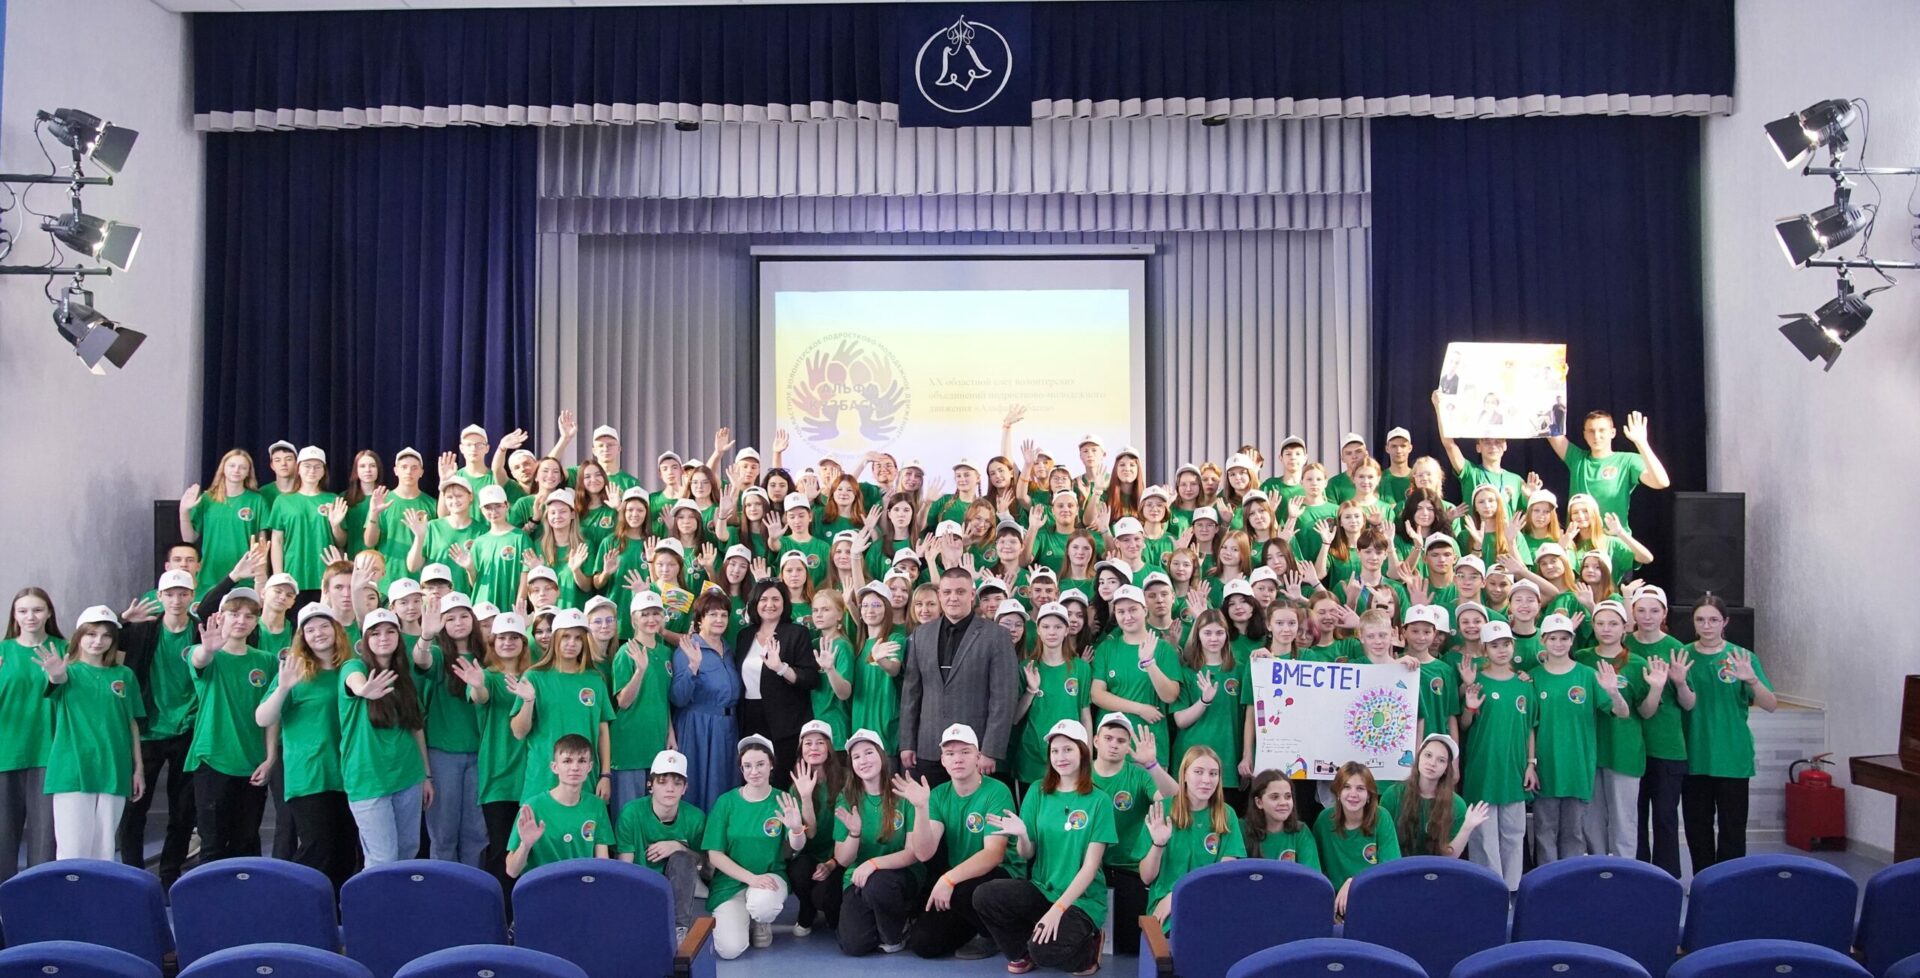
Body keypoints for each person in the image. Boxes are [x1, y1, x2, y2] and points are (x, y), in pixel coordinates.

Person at [976, 719, 1114, 977]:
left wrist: (1058, 910)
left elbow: (1090, 867)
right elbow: (1026, 853)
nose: (1060, 757)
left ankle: (1090, 949)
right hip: (1041, 889)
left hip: (1081, 900)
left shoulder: (1099, 801)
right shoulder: (1037, 791)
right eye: (1055, 751)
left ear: (1083, 752)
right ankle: (1024, 951)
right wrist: (1022, 835)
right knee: (985, 895)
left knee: (1046, 952)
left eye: (1068, 749)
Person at [255, 604, 355, 889]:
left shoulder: (350, 669)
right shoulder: (295, 672)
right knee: (317, 849)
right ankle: (295, 906)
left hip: (347, 775)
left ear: (336, 630)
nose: (318, 633)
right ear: (302, 637)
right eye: (310, 630)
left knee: (344, 852)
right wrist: (283, 688)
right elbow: (263, 717)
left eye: (324, 626)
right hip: (310, 775)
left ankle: (335, 912)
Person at [901, 723, 1020, 960]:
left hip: (1001, 876)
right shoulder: (938, 795)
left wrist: (948, 879)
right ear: (943, 760)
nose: (958, 759)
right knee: (924, 943)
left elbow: (993, 854)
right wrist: (921, 808)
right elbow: (924, 853)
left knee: (965, 892)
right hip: (961, 881)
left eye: (965, 752)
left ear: (978, 756)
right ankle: (974, 927)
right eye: (950, 753)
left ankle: (996, 934)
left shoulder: (997, 791)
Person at [1679, 595, 1776, 872]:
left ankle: (1729, 883)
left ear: (1725, 622)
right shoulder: (1683, 656)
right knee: (1697, 827)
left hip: (1732, 755)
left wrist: (1752, 680)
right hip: (1695, 753)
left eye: (1713, 620)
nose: (1706, 625)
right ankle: (1703, 881)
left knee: (1733, 827)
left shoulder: (1742, 657)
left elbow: (1770, 704)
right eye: (1700, 620)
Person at [41, 607, 145, 860]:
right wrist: (55, 675)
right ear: (79, 636)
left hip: (114, 768)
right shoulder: (68, 672)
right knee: (73, 849)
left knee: (105, 849)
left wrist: (138, 768)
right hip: (73, 769)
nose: (98, 641)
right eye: (91, 634)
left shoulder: (124, 675)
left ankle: (100, 888)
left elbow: (131, 723)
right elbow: (56, 682)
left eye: (105, 635)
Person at [900, 568, 1021, 785]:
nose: (953, 598)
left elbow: (1003, 699)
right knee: (929, 807)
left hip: (974, 750)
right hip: (929, 747)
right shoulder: (921, 634)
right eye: (947, 592)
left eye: (960, 592)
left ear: (972, 595)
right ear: (939, 596)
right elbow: (911, 694)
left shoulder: (996, 636)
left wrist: (990, 749)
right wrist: (907, 742)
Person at [1529, 612, 1629, 865]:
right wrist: (1531, 763)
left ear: (1572, 640)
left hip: (1578, 766)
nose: (1559, 643)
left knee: (1574, 833)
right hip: (1546, 767)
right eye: (1553, 638)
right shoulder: (1533, 678)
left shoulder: (1587, 675)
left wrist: (1614, 692)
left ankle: (1569, 880)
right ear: (1543, 640)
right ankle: (1547, 881)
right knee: (1544, 831)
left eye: (1564, 638)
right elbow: (1529, 727)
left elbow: (1621, 712)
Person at [186, 590, 277, 862]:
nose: (241, 620)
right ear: (220, 616)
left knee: (247, 844)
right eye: (234, 614)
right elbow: (199, 660)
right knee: (213, 845)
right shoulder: (208, 654)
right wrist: (207, 649)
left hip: (252, 763)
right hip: (213, 760)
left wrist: (270, 758)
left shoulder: (266, 660)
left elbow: (273, 714)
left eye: (249, 616)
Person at [340, 608, 433, 868]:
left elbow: (416, 727)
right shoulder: (354, 666)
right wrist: (364, 689)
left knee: (407, 851)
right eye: (376, 633)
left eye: (390, 631)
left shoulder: (404, 675)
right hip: (369, 779)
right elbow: (354, 682)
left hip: (408, 776)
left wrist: (426, 775)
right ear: (365, 639)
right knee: (382, 858)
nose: (383, 638)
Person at [450, 611, 534, 889]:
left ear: (523, 642)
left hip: (531, 775)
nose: (508, 643)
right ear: (493, 642)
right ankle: (501, 909)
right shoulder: (485, 676)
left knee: (529, 849)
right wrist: (476, 685)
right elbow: (481, 697)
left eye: (514, 637)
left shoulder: (534, 677)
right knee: (500, 849)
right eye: (502, 638)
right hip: (498, 774)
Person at [703, 735, 807, 959]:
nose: (754, 771)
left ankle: (761, 921)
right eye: (747, 766)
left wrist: (796, 828)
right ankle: (742, 915)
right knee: (729, 950)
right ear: (741, 769)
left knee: (762, 906)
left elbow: (795, 848)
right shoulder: (725, 803)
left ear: (771, 765)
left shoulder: (784, 800)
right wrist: (751, 879)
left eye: (760, 764)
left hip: (769, 877)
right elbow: (715, 855)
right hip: (730, 883)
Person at [1088, 713, 1176, 961]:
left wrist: (1152, 765)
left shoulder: (1138, 775)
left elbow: (1174, 799)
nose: (1114, 744)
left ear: (1128, 747)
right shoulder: (1081, 774)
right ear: (1096, 741)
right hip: (1088, 870)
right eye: (1108, 738)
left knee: (1131, 946)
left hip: (1128, 870)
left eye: (1121, 740)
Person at [411, 592, 489, 866]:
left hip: (480, 754)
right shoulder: (437, 653)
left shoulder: (486, 655)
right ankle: (444, 888)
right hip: (443, 754)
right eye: (451, 618)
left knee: (476, 833)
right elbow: (421, 660)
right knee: (443, 834)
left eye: (464, 616)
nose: (458, 622)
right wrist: (426, 635)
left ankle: (472, 885)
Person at [1575, 601, 1656, 860]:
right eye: (1600, 623)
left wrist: (1656, 689)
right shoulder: (1582, 658)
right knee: (1591, 820)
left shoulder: (1636, 663)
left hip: (1623, 750)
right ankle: (1598, 868)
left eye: (1613, 624)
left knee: (1624, 819)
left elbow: (1646, 711)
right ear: (1593, 626)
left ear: (1625, 627)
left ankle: (1625, 870)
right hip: (1589, 748)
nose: (1606, 629)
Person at [1457, 620, 1533, 890]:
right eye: (1494, 645)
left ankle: (1512, 889)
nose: (1501, 650)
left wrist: (1531, 763)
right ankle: (1488, 889)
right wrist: (1469, 705)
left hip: (1514, 769)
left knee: (1514, 832)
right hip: (1483, 768)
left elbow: (1530, 727)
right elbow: (1465, 724)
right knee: (1484, 836)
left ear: (1513, 646)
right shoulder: (1476, 681)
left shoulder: (1525, 684)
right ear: (1484, 649)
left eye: (1506, 644)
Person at [832, 728, 922, 956]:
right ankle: (878, 917)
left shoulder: (903, 793)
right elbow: (843, 859)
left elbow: (913, 852)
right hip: (858, 878)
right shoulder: (846, 798)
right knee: (854, 945)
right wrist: (854, 833)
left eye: (869, 753)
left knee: (878, 884)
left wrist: (873, 864)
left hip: (898, 875)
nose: (863, 761)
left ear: (882, 755)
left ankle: (897, 931)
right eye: (856, 756)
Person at [511, 608, 614, 800]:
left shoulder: (595, 679)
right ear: (555, 638)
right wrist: (528, 701)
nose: (572, 643)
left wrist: (606, 775)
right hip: (543, 779)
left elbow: (602, 731)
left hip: (585, 780)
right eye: (566, 636)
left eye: (578, 638)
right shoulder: (534, 677)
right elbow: (518, 732)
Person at [1140, 746, 1245, 925]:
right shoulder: (1162, 810)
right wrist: (1158, 844)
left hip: (1210, 904)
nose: (1206, 780)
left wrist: (1178, 894)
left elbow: (1224, 875)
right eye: (1198, 772)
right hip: (1167, 912)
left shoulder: (1227, 814)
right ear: (1184, 775)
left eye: (1213, 774)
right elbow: (1146, 877)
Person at [732, 580, 820, 786]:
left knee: (781, 778)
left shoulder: (797, 633)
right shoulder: (745, 635)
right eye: (763, 599)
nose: (769, 604)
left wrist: (781, 668)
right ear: (755, 603)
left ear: (784, 603)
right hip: (749, 716)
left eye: (775, 599)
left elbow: (810, 678)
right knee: (753, 777)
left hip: (785, 721)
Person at [1, 587, 61, 881]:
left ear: (49, 613)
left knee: (45, 840)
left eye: (37, 610)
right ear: (14, 616)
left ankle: (39, 898)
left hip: (49, 753)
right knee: (2, 838)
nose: (30, 617)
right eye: (23, 611)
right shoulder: (3, 652)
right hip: (6, 753)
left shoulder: (65, 649)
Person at [616, 749, 707, 941]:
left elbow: (705, 864)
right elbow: (625, 865)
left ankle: (679, 929)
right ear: (650, 785)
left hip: (680, 886)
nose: (670, 789)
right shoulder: (631, 813)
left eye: (677, 783)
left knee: (683, 858)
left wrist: (678, 846)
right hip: (641, 884)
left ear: (685, 788)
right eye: (662, 782)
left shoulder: (695, 817)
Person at [1091, 586, 1181, 769]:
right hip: (1111, 747)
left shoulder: (1163, 649)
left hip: (1151, 745)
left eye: (1133, 610)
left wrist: (1149, 663)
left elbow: (1170, 695)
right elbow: (1097, 695)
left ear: (1145, 610)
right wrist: (1139, 709)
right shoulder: (1106, 649)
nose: (1127, 616)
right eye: (1121, 611)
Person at [671, 593, 743, 811]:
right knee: (698, 784)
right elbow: (678, 698)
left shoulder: (728, 649)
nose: (719, 619)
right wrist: (693, 667)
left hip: (727, 727)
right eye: (713, 614)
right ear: (700, 619)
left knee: (725, 783)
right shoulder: (687, 648)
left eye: (724, 615)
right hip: (698, 727)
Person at [1547, 410, 1672, 531]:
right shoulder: (1577, 459)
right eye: (1591, 431)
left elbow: (1661, 482)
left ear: (1612, 433)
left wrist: (1642, 443)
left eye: (1602, 430)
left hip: (1614, 539)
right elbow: (1550, 428)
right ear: (1584, 434)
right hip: (1579, 540)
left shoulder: (1627, 461)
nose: (1596, 436)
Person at [507, 733, 612, 877]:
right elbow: (512, 871)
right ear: (554, 767)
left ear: (589, 767)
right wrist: (525, 845)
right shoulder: (533, 806)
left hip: (581, 885)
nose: (575, 767)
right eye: (567, 761)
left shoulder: (596, 805)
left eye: (582, 761)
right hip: (543, 885)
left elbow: (602, 862)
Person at [1015, 603, 1094, 790]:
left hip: (1070, 758)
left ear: (1066, 630)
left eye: (1058, 627)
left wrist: (1088, 756)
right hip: (1032, 759)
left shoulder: (1081, 668)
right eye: (1046, 626)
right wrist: (1031, 690)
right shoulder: (1027, 667)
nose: (1052, 632)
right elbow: (1014, 718)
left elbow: (1085, 715)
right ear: (1038, 630)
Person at [608, 592, 674, 816]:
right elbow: (624, 701)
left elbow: (663, 697)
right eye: (644, 614)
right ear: (633, 619)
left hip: (656, 741)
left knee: (652, 813)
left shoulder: (665, 652)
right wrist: (640, 670)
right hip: (630, 746)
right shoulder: (626, 652)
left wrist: (670, 733)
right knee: (628, 813)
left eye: (656, 613)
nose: (651, 619)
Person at [1379, 734, 1488, 858]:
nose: (1432, 763)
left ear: (1447, 768)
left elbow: (1450, 858)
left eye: (1441, 760)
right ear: (1418, 758)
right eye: (1428, 755)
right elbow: (1382, 846)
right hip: (1397, 867)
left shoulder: (1457, 805)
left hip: (1436, 869)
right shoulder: (1393, 795)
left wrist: (1467, 827)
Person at [1314, 762, 1399, 916]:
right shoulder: (1324, 821)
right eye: (1346, 787)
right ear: (1338, 792)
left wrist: (1353, 881)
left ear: (1369, 795)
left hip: (1373, 897)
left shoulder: (1382, 817)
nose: (1353, 794)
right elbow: (1316, 872)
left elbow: (1391, 869)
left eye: (1360, 788)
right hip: (1334, 903)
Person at [789, 719, 849, 937]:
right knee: (798, 872)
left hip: (840, 854)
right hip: (811, 852)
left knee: (827, 901)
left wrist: (832, 863)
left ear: (829, 748)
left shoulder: (846, 779)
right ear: (801, 749)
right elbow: (810, 833)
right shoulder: (796, 786)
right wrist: (805, 796)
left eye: (820, 742)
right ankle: (807, 908)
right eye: (808, 743)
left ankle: (829, 908)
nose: (813, 748)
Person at [181, 449, 268, 591]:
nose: (236, 470)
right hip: (210, 575)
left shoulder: (257, 501)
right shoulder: (207, 499)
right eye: (232, 465)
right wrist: (183, 511)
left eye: (242, 467)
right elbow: (189, 538)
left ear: (248, 472)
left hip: (245, 576)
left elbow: (262, 544)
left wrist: (261, 575)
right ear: (223, 468)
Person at [269, 446, 347, 599]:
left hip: (325, 574)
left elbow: (342, 542)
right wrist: (279, 576)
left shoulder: (333, 499)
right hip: (293, 574)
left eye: (317, 466)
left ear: (323, 471)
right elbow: (277, 540)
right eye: (307, 466)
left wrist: (335, 525)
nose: (312, 470)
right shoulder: (283, 500)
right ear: (298, 469)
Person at [1242, 770, 1319, 869]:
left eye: (1288, 796)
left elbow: (1311, 875)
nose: (1283, 802)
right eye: (1275, 797)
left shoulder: (1301, 831)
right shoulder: (1242, 828)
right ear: (1259, 802)